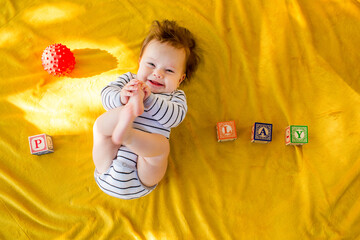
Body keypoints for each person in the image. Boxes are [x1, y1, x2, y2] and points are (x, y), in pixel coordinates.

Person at [92, 20, 200, 199]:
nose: (158, 73)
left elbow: (174, 118)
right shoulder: (128, 81)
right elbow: (106, 96)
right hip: (107, 163)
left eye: (169, 71)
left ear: (180, 80)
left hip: (141, 175)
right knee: (101, 126)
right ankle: (126, 115)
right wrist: (122, 97)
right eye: (151, 65)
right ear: (140, 62)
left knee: (161, 148)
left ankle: (129, 135)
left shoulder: (175, 97)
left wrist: (149, 99)